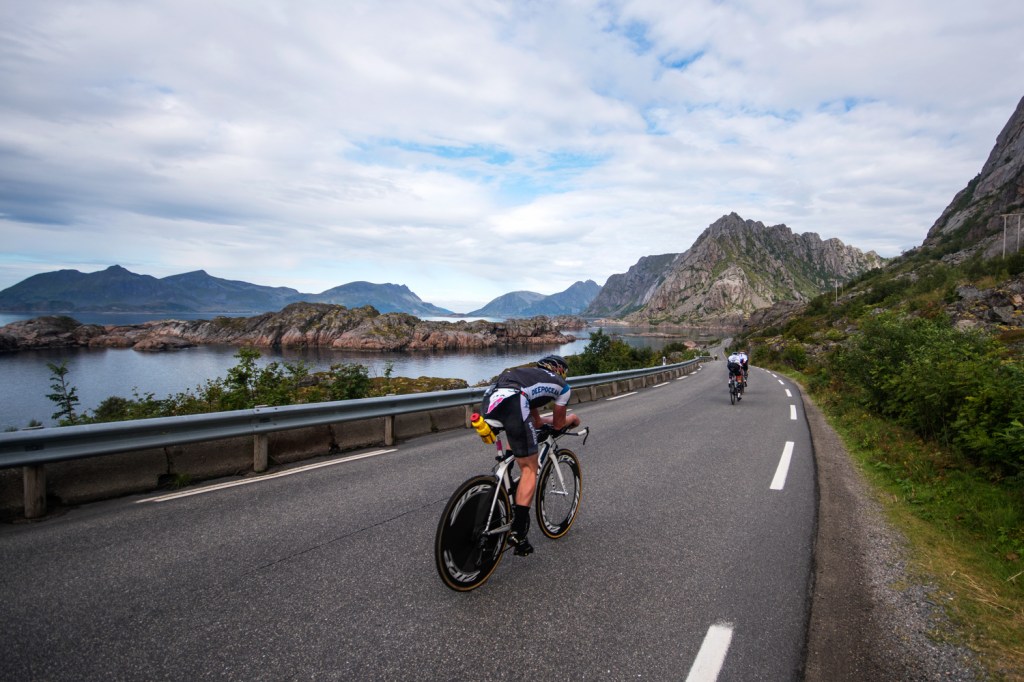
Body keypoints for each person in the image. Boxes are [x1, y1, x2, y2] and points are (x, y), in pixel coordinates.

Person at [481, 354, 581, 556]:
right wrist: (573, 418)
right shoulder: (562, 386)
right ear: (560, 370)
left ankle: (505, 480)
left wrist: (545, 421)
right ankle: (518, 532)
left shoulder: (529, 376)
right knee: (529, 468)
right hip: (515, 401)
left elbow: (534, 422)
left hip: (490, 400)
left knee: (517, 433)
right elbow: (559, 424)